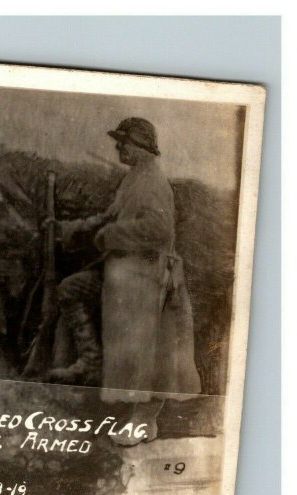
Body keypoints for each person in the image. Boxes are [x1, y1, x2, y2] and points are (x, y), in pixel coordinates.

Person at [46, 117, 202, 445]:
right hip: (126, 278)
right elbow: (109, 216)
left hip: (150, 280)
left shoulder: (153, 183)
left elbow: (159, 232)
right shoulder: (133, 179)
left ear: (142, 147)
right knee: (73, 291)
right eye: (119, 142)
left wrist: (112, 234)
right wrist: (74, 227)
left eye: (124, 142)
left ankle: (144, 421)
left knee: (150, 353)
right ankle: (89, 360)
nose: (119, 147)